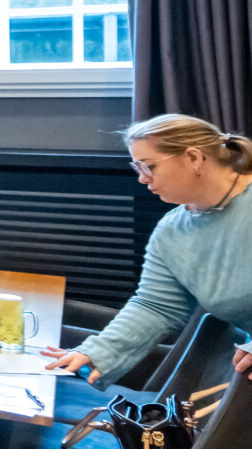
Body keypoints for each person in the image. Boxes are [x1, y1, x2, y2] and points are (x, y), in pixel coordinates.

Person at [46, 113, 252, 387]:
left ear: (194, 158)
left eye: (149, 166)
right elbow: (156, 306)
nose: (142, 179)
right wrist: (98, 352)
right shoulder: (172, 230)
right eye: (138, 168)